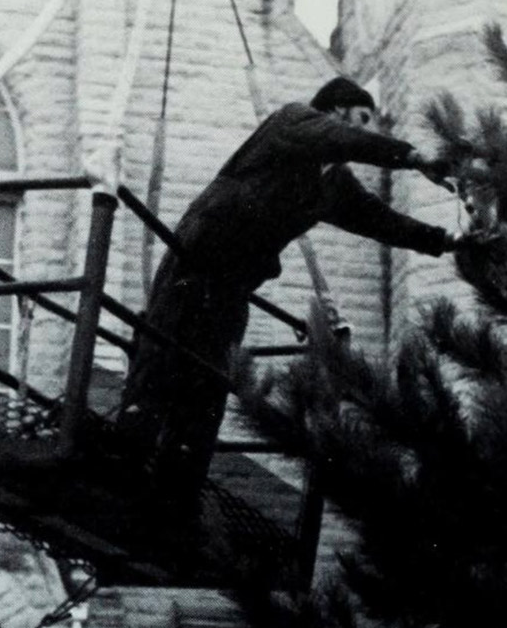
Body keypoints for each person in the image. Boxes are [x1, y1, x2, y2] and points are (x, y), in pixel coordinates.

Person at [119, 75, 479, 505]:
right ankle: (121, 467)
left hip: (233, 282)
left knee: (211, 379)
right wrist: (414, 157)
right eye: (362, 119)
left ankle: (176, 494)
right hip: (195, 262)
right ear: (336, 109)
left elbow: (378, 219)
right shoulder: (293, 122)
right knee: (162, 358)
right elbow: (341, 140)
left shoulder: (333, 185)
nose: (365, 131)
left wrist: (446, 241)